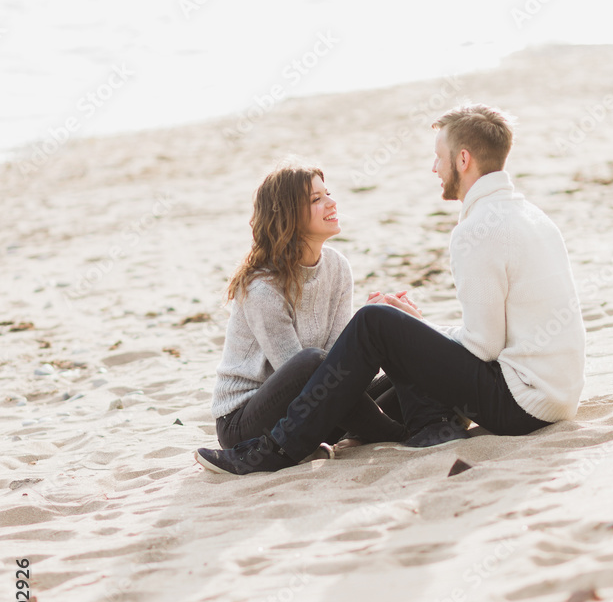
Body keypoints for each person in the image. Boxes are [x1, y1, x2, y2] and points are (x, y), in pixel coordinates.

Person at [196, 104, 586, 475]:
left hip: (522, 401)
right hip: (553, 397)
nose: (434, 167)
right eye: (317, 198)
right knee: (376, 340)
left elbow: (482, 346)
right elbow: (321, 372)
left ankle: (280, 450)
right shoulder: (532, 216)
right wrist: (410, 336)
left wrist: (411, 331)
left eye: (439, 157)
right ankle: (416, 426)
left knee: (374, 323)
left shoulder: (477, 231)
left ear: (463, 160)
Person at [197, 163, 404, 467]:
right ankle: (396, 433)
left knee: (403, 370)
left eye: (328, 193)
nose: (332, 203)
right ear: (288, 216)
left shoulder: (337, 267)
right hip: (245, 421)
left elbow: (337, 366)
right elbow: (309, 379)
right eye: (316, 199)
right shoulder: (262, 287)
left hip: (314, 406)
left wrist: (373, 335)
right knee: (312, 363)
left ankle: (368, 432)